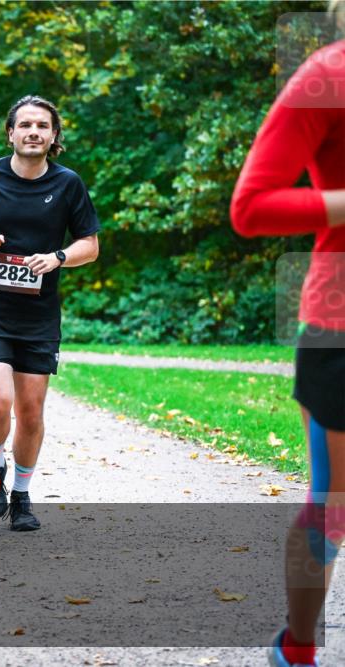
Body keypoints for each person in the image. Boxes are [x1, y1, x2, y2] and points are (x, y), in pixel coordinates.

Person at [230, 6, 344, 664]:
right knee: (333, 506)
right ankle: (296, 650)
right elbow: (251, 206)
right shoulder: (329, 75)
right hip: (341, 324)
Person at [0, 95, 100, 530]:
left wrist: (57, 257)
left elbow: (89, 245)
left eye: (42, 126)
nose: (34, 131)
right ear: (11, 133)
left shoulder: (68, 184)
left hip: (38, 315)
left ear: (54, 137)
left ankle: (22, 496)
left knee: (31, 413)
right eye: (25, 125)